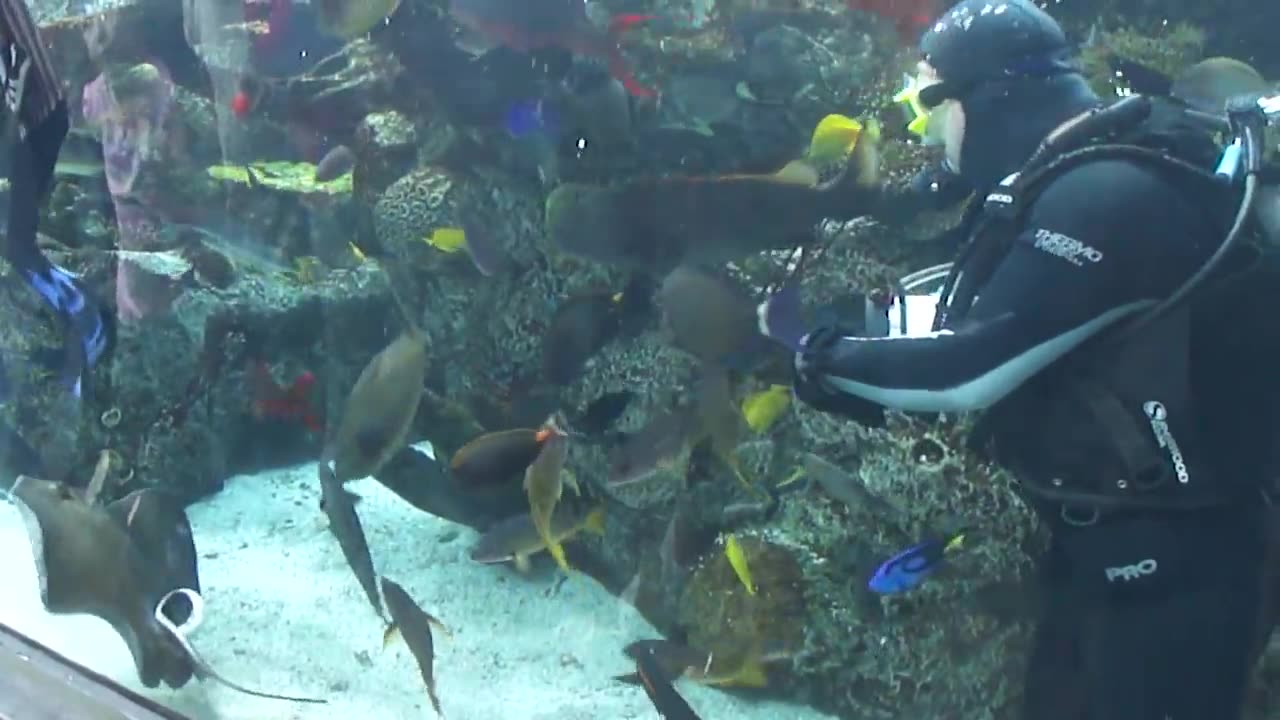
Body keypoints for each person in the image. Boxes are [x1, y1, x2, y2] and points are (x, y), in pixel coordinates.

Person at [791, 1, 1280, 718]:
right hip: (1117, 535)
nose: (924, 133)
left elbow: (968, 369)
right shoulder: (1078, 173)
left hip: (1185, 553)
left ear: (989, 99)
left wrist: (823, 357)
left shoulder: (1101, 197)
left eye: (928, 105)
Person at [0, 0, 113, 398]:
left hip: (32, 126)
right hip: (31, 122)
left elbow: (17, 69)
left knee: (18, 246)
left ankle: (89, 324)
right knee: (16, 245)